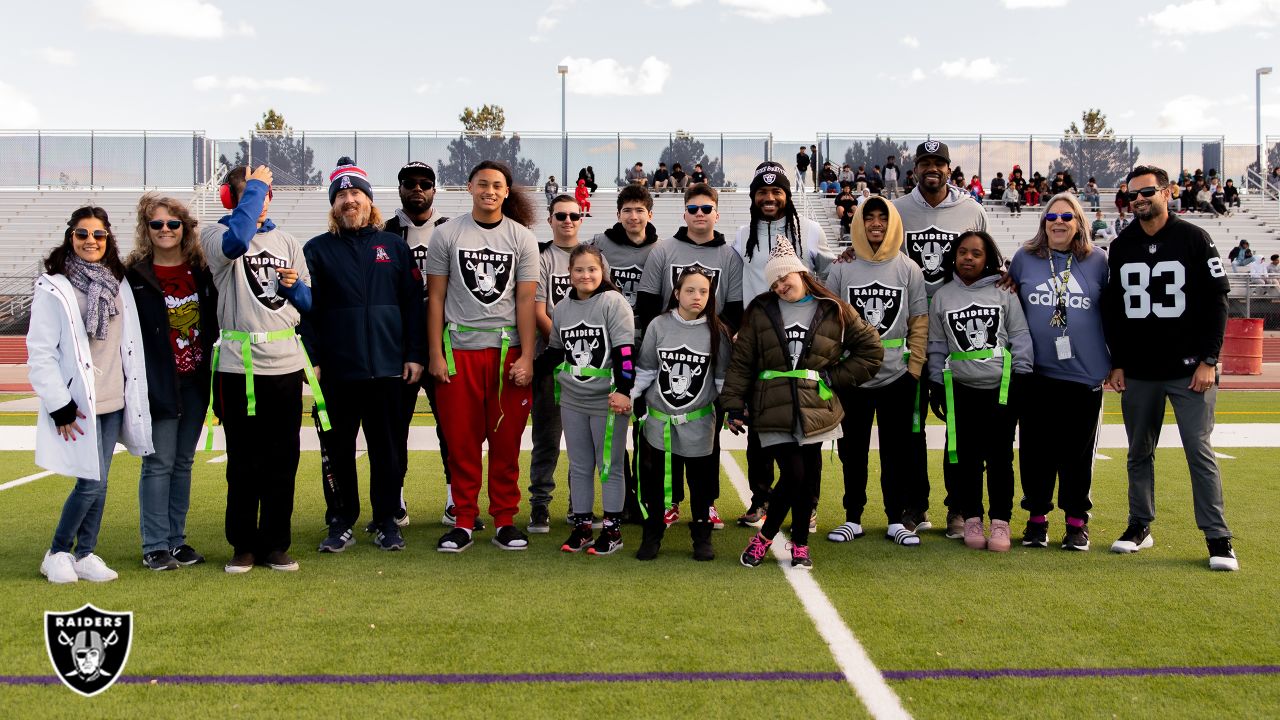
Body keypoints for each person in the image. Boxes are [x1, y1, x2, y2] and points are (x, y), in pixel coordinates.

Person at [1101, 165, 1237, 571]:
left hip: (1188, 369)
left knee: (1199, 450)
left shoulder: (1194, 237)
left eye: (1146, 192)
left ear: (1167, 191)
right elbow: (1114, 310)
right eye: (1132, 195)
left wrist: (1209, 360)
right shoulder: (1122, 244)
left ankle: (1218, 537)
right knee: (1138, 452)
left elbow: (1218, 301)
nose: (1139, 199)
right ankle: (1139, 525)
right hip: (1140, 370)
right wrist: (1117, 362)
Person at [725, 241, 883, 570]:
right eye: (774, 283)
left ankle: (799, 543)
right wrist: (734, 404)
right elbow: (742, 361)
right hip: (772, 404)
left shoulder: (832, 308)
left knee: (807, 479)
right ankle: (766, 537)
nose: (781, 286)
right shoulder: (760, 309)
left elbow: (871, 349)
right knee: (794, 474)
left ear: (801, 272)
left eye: (785, 278)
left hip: (815, 406)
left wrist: (834, 377)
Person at [303, 159, 425, 554]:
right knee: (337, 453)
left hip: (388, 370)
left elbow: (412, 306)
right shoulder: (315, 251)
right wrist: (313, 358)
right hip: (337, 374)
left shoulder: (393, 247)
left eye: (356, 193)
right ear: (333, 204)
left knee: (387, 452)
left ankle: (387, 519)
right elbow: (307, 312)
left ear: (370, 202)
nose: (349, 200)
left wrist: (414, 354)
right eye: (341, 195)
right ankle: (339, 521)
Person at [201, 165, 314, 574]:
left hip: (283, 367)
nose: (260, 199)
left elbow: (307, 302)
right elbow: (237, 242)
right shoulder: (215, 234)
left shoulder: (288, 241)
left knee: (283, 461)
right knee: (244, 461)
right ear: (235, 199)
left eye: (265, 192)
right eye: (251, 193)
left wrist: (292, 287)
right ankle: (243, 544)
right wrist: (256, 184)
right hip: (238, 367)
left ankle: (275, 544)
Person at [33, 207, 153, 584]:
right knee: (90, 481)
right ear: (71, 237)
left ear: (107, 239)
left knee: (101, 481)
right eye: (82, 234)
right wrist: (60, 405)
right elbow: (41, 351)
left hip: (114, 398)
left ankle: (85, 553)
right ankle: (56, 552)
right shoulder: (55, 285)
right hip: (79, 402)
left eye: (98, 235)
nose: (90, 241)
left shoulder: (116, 282)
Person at [425, 160, 539, 553]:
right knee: (462, 442)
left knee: (506, 442)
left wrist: (527, 356)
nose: (490, 191)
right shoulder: (447, 234)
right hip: (460, 353)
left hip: (507, 352)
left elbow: (525, 300)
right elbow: (436, 297)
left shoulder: (522, 238)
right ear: (470, 187)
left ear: (507, 192)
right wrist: (435, 354)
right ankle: (464, 520)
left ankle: (505, 520)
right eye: (483, 184)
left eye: (497, 185)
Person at [731, 162, 835, 529]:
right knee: (761, 424)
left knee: (808, 423)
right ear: (754, 197)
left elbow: (829, 271)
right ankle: (761, 499)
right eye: (762, 192)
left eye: (776, 192)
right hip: (760, 341)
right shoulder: (742, 234)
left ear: (787, 196)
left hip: (801, 340)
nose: (769, 198)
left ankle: (808, 504)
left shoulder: (809, 229)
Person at [894, 140, 989, 537]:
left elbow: (987, 262)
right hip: (912, 330)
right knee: (911, 426)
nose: (931, 168)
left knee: (961, 427)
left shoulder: (972, 210)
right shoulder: (898, 210)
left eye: (939, 162)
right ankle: (915, 504)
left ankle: (960, 506)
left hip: (958, 331)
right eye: (924, 163)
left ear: (950, 169)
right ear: (915, 169)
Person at [636, 184, 744, 527]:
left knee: (705, 437)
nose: (700, 214)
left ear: (716, 213)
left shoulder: (729, 256)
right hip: (668, 347)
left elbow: (736, 309)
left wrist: (710, 340)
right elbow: (649, 303)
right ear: (684, 213)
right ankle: (670, 501)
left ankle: (705, 503)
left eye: (706, 208)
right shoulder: (663, 250)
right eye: (693, 208)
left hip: (708, 352)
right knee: (666, 437)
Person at [1008, 193, 1109, 550]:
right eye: (1052, 216)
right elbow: (1010, 296)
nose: (1059, 222)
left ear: (1079, 221)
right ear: (1043, 222)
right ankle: (1037, 521)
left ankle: (1076, 523)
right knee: (1035, 453)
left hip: (1084, 376)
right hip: (1036, 375)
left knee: (1077, 456)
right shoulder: (1025, 258)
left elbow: (1112, 313)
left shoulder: (1098, 261)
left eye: (1067, 216)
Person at [825, 197, 927, 546]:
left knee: (895, 451)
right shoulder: (841, 269)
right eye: (869, 217)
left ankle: (895, 518)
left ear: (893, 222)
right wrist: (836, 368)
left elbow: (918, 322)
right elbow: (830, 323)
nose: (876, 223)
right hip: (854, 376)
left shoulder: (909, 269)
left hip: (897, 378)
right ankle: (852, 517)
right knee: (852, 450)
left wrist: (914, 370)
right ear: (859, 223)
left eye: (883, 217)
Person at [126, 195, 217, 571]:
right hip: (157, 382)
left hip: (195, 380)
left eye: (173, 224)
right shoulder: (133, 275)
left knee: (183, 462)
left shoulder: (202, 271)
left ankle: (176, 541)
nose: (165, 230)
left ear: (185, 228)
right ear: (146, 230)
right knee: (158, 463)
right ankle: (154, 545)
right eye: (157, 224)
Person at [927, 230, 1032, 552]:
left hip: (999, 390)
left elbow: (1019, 334)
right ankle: (971, 516)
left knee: (1000, 458)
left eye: (976, 253)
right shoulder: (943, 296)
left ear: (988, 258)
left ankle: (1000, 521)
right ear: (954, 256)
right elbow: (937, 345)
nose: (968, 258)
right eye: (962, 252)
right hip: (961, 390)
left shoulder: (1004, 292)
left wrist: (1022, 378)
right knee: (966, 459)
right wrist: (935, 383)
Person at [536, 245, 635, 555]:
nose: (585, 275)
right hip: (573, 398)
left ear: (601, 271)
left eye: (592, 269)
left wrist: (625, 390)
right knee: (579, 466)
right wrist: (527, 370)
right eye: (579, 269)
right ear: (570, 273)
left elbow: (625, 354)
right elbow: (555, 352)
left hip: (607, 401)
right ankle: (581, 527)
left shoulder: (613, 303)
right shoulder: (563, 307)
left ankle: (612, 529)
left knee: (609, 466)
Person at [631, 268, 730, 560]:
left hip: (699, 423)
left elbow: (722, 379)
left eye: (703, 291)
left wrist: (736, 408)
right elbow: (647, 369)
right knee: (654, 482)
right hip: (660, 422)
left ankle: (701, 536)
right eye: (690, 290)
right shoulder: (659, 326)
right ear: (677, 293)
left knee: (701, 484)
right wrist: (629, 396)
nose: (697, 296)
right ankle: (653, 535)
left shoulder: (718, 331)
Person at [384, 161, 452, 529]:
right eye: (409, 183)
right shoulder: (386, 233)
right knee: (394, 426)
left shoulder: (452, 230)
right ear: (399, 189)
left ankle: (456, 500)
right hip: (399, 346)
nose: (417, 189)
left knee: (452, 426)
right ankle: (393, 499)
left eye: (425, 183)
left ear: (434, 190)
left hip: (444, 344)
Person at [590, 184, 661, 522]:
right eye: (627, 210)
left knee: (645, 429)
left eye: (639, 210)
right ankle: (623, 498)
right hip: (610, 348)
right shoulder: (599, 245)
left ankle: (649, 500)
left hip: (647, 348)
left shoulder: (662, 249)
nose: (633, 216)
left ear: (649, 214)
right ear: (618, 214)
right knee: (612, 428)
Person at [528, 195, 595, 532]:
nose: (568, 221)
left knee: (582, 440)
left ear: (582, 219)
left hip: (588, 367)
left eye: (574, 215)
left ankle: (578, 504)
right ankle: (539, 504)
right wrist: (567, 346)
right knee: (546, 438)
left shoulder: (593, 258)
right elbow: (539, 311)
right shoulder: (541, 258)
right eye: (561, 216)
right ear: (550, 219)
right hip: (551, 362)